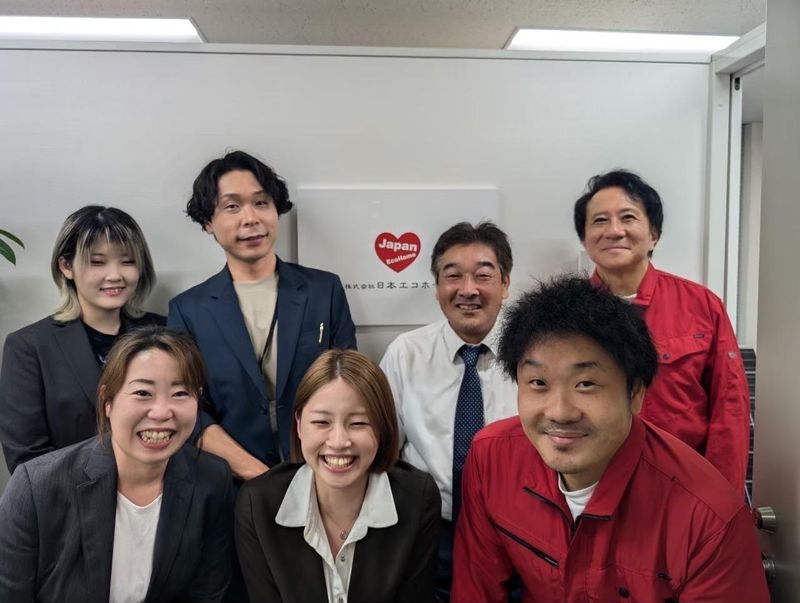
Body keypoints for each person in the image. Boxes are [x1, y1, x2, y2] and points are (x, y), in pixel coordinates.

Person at [452, 276, 769, 602]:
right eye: (538, 383)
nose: (559, 412)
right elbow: (475, 590)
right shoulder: (492, 459)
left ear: (635, 393)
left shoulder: (708, 517)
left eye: (586, 384)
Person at [0, 327, 234, 603]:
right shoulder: (36, 486)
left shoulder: (212, 479)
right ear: (107, 402)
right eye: (143, 393)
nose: (162, 412)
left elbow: (208, 594)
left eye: (180, 393)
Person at [168, 150, 356, 481]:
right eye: (232, 206)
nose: (251, 218)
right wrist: (260, 477)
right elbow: (188, 410)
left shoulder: (323, 290)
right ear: (208, 222)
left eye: (261, 202)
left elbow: (350, 386)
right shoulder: (189, 309)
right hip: (231, 484)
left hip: (320, 473)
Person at [573, 169, 750, 492]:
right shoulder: (566, 313)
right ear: (585, 239)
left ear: (653, 234)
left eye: (628, 217)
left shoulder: (702, 306)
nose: (614, 230)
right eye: (599, 221)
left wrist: (723, 499)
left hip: (682, 487)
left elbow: (729, 410)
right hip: (592, 486)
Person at [379, 221, 517, 600]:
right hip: (428, 530)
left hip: (514, 528)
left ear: (505, 284)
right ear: (437, 286)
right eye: (453, 276)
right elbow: (382, 448)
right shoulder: (406, 353)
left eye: (483, 276)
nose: (467, 290)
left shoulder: (535, 353)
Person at [235, 349, 440, 603]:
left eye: (358, 423)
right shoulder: (257, 504)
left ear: (383, 427)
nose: (339, 441)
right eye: (321, 423)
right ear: (299, 425)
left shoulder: (417, 498)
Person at [0, 205, 164, 473]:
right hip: (69, 496)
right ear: (66, 266)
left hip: (163, 489)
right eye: (97, 262)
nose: (115, 275)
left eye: (127, 261)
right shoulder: (29, 347)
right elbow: (26, 458)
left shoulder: (165, 332)